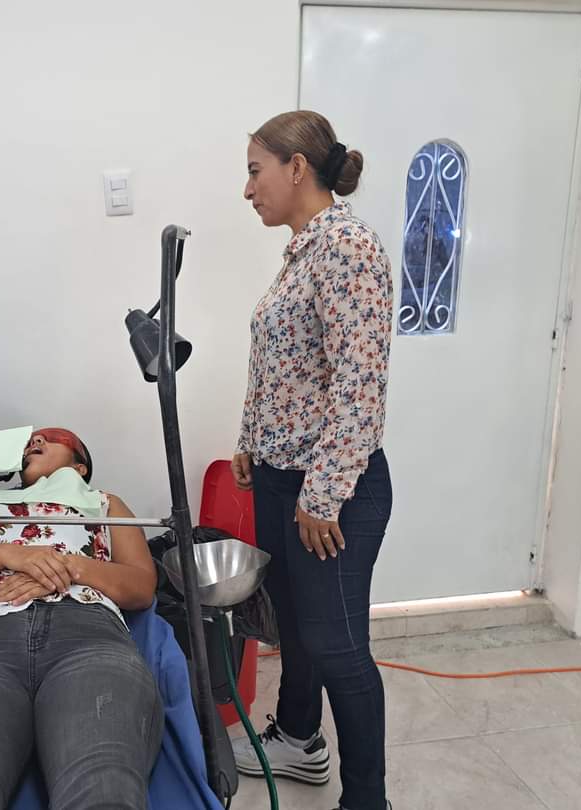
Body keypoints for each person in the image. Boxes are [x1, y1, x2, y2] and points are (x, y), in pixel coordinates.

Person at [229, 111, 395, 810]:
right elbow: (286, 363)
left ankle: (367, 799)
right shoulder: (303, 252)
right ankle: (299, 737)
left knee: (337, 646)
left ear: (297, 167)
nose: (248, 189)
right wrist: (251, 438)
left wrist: (321, 496)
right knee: (294, 628)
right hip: (282, 477)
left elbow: (360, 384)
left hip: (332, 491)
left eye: (255, 171)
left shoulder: (347, 247)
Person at [0, 428, 164, 810]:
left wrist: (65, 566)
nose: (35, 441)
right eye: (31, 440)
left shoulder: (103, 503)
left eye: (52, 437)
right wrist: (6, 554)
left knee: (103, 789)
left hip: (87, 639)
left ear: (80, 466)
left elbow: (141, 586)